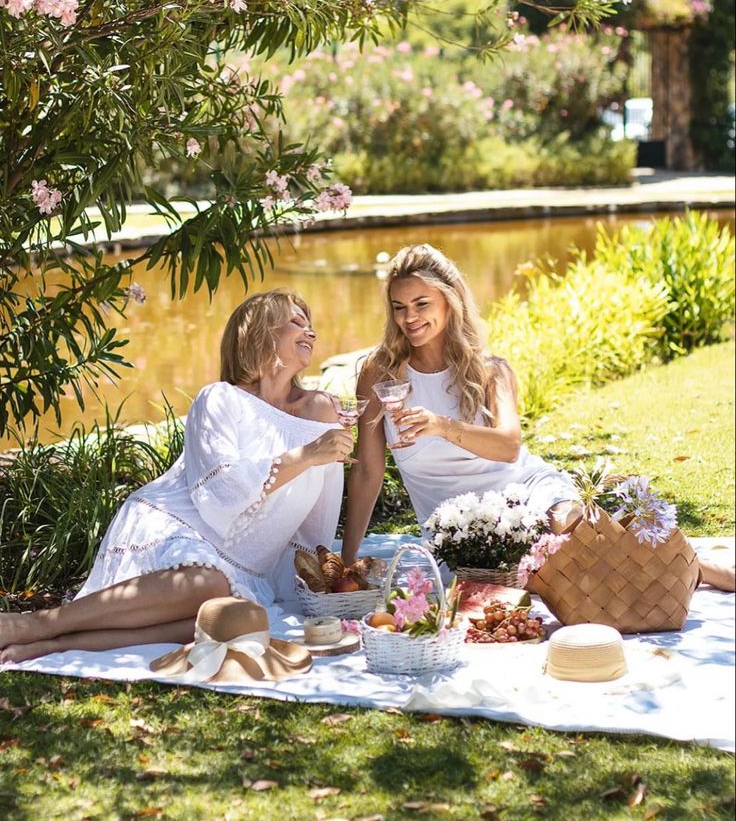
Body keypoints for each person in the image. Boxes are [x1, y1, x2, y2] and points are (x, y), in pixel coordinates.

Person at [341, 245, 735, 593]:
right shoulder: (381, 374)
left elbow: (509, 447)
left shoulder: (488, 370)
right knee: (571, 575)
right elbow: (367, 473)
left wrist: (441, 426)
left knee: (574, 529)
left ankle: (701, 569)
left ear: (449, 301)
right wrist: (346, 561)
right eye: (399, 307)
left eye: (421, 304)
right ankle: (685, 570)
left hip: (522, 491)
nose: (409, 318)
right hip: (457, 527)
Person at [0, 290, 354, 663]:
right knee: (207, 584)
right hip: (179, 526)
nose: (310, 332)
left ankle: (57, 644)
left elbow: (317, 516)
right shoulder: (220, 399)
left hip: (245, 564)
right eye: (296, 323)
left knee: (234, 618)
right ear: (259, 334)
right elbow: (223, 490)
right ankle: (37, 624)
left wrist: (318, 574)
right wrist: (309, 455)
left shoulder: (321, 411)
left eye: (310, 325)